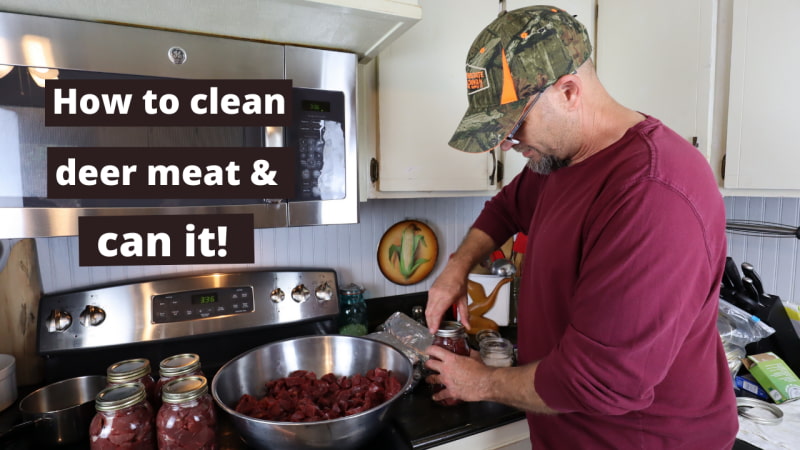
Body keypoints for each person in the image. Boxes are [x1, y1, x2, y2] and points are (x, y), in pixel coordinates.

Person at [424, 5, 738, 449]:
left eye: (514, 127)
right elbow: (506, 208)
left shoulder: (651, 194)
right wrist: (458, 267)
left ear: (569, 92)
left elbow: (601, 381)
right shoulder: (563, 160)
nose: (508, 145)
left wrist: (483, 382)